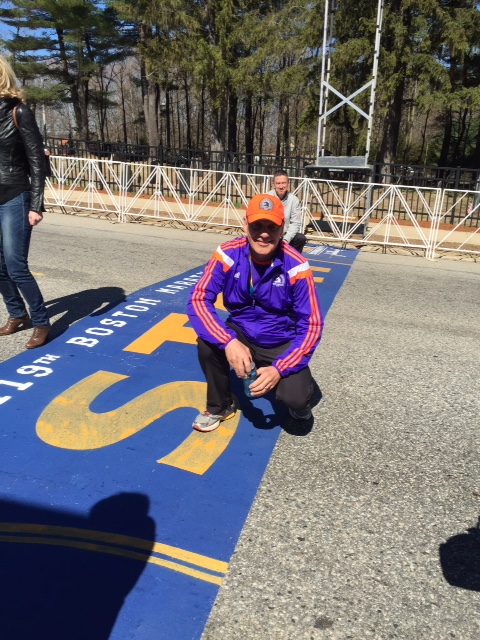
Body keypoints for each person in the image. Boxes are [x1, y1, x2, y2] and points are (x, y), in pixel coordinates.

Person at [187, 193, 323, 432]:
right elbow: (199, 299)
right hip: (241, 330)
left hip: (280, 339)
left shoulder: (297, 265)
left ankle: (298, 388)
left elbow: (311, 325)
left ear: (282, 230)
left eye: (272, 226)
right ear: (245, 224)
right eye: (257, 225)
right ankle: (220, 406)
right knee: (207, 343)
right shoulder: (228, 253)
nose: (263, 233)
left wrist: (279, 368)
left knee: (297, 400)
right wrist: (228, 341)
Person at [0, 56, 50, 349]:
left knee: (16, 265)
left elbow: (36, 160)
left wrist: (36, 204)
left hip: (16, 194)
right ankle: (17, 314)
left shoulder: (20, 112)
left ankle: (42, 321)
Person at [268, 169, 307, 253]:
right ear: (273, 184)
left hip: (285, 235)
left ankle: (293, 262)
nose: (281, 186)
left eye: (284, 183)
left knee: (301, 238)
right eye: (278, 183)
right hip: (270, 234)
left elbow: (295, 223)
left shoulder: (294, 200)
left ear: (288, 184)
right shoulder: (267, 198)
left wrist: (286, 240)